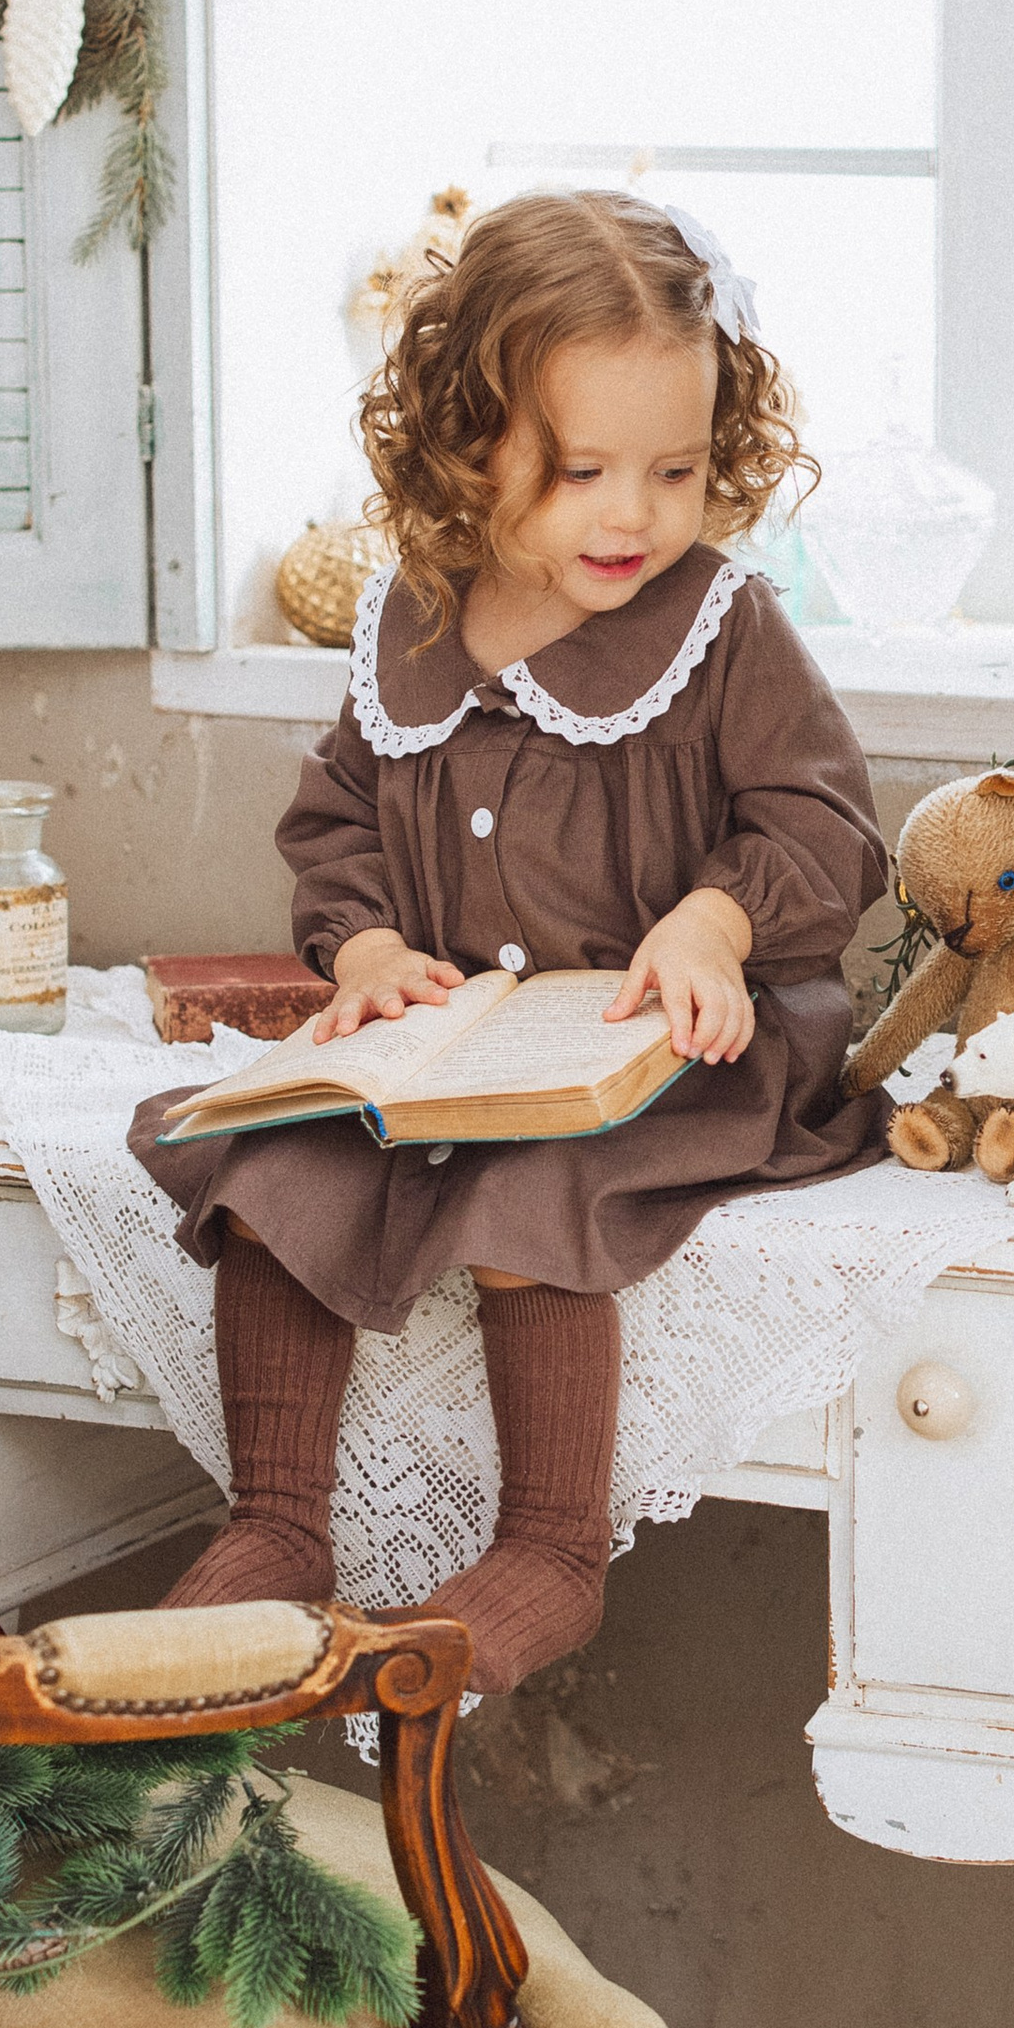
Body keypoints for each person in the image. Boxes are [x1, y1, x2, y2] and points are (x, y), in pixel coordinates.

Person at [128, 189, 891, 1690]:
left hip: (669, 1053)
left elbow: (829, 826)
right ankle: (279, 1522)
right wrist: (357, 954)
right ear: (471, 446)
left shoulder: (722, 628)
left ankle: (551, 1541)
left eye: (674, 469)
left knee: (542, 1184)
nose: (634, 513)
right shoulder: (411, 619)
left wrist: (713, 920)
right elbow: (339, 814)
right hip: (458, 1051)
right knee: (282, 1155)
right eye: (583, 469)